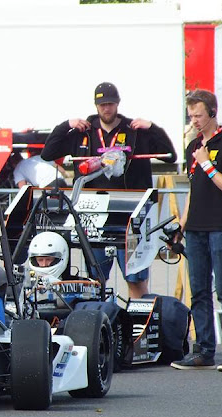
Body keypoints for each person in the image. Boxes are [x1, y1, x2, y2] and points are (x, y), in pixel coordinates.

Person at [41, 82, 177, 298]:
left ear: (118, 104)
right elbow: (48, 153)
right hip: (94, 216)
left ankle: (136, 326)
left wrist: (153, 128)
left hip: (129, 217)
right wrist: (66, 124)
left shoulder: (134, 130)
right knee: (96, 283)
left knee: (136, 281)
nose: (107, 109)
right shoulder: (82, 131)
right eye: (102, 104)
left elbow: (171, 156)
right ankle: (103, 326)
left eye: (111, 104)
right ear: (96, 106)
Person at [171, 89, 222, 371]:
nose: (194, 120)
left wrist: (207, 163)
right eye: (191, 115)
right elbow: (193, 189)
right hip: (195, 228)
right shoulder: (193, 145)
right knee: (199, 291)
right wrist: (181, 225)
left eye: (199, 115)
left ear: (212, 113)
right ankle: (204, 350)